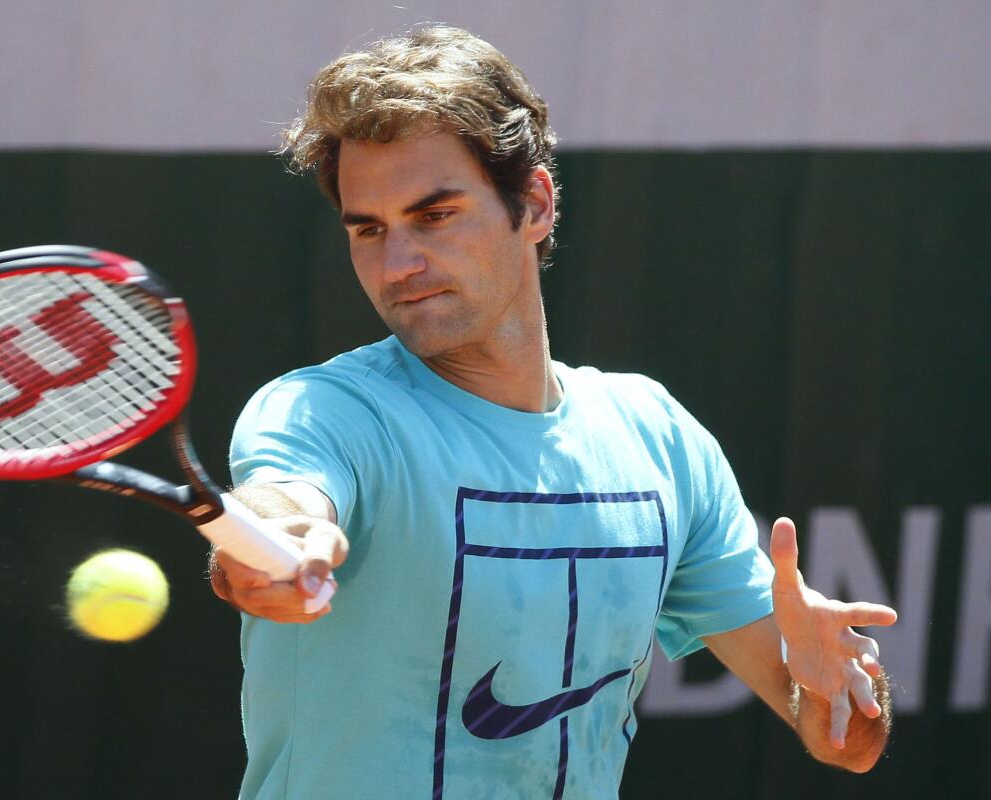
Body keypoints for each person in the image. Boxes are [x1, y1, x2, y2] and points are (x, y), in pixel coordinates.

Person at [209, 26, 897, 799]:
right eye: (369, 229)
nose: (397, 264)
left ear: (533, 204)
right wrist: (273, 544)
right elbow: (287, 502)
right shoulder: (322, 412)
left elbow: (846, 744)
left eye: (433, 215)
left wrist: (840, 686)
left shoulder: (658, 438)